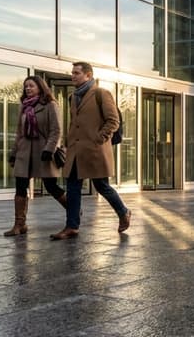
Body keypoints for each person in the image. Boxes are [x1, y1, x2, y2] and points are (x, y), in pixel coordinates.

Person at [51, 62, 133, 240]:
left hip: (95, 150)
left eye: (77, 73)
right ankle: (72, 226)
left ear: (88, 75)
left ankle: (123, 212)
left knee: (101, 186)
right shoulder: (73, 97)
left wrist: (99, 139)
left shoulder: (101, 94)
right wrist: (67, 142)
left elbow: (113, 121)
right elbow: (74, 123)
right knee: (72, 187)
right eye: (72, 73)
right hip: (75, 151)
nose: (73, 76)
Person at [4, 76, 66, 237]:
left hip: (43, 150)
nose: (28, 89)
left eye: (31, 86)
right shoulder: (24, 107)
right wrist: (13, 153)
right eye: (26, 86)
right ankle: (19, 225)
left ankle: (73, 211)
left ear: (40, 86)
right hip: (24, 151)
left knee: (51, 186)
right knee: (20, 186)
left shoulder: (51, 105)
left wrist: (49, 149)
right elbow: (19, 132)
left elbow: (56, 130)